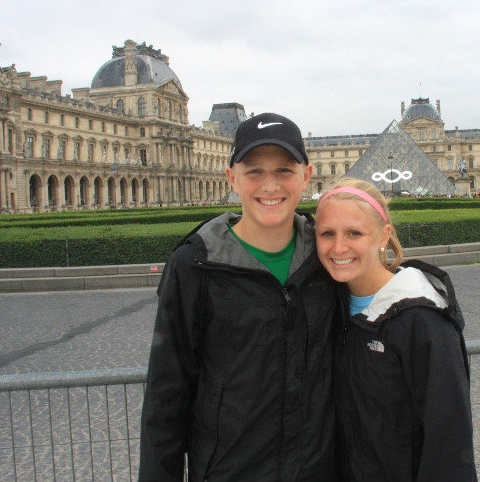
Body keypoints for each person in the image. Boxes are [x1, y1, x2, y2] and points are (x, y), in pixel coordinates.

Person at [139, 113, 342, 482]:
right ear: (231, 177)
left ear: (306, 176)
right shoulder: (195, 265)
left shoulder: (330, 259)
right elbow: (166, 396)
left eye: (284, 170)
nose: (270, 185)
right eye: (254, 171)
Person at [315, 178, 477, 482]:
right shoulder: (325, 309)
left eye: (354, 233)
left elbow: (449, 446)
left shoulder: (424, 323)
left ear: (384, 236)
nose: (338, 247)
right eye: (327, 233)